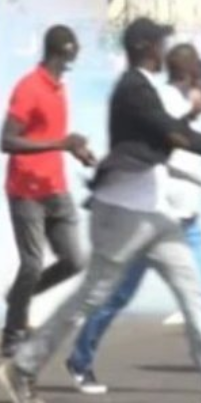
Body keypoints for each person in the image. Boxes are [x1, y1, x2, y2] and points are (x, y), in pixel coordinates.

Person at [0, 18, 201, 403]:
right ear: (145, 46)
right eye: (160, 42)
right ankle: (22, 366)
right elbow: (174, 135)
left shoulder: (144, 89)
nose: (165, 48)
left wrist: (193, 116)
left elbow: (166, 133)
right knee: (90, 297)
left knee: (195, 291)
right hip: (123, 215)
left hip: (153, 214)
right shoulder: (133, 88)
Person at [63, 43, 201, 395]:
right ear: (189, 74)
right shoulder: (161, 103)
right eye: (200, 72)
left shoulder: (184, 103)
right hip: (153, 217)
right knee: (114, 296)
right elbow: (170, 157)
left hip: (185, 218)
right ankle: (79, 359)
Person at [0, 25, 95, 359]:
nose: (78, 55)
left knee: (75, 259)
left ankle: (18, 297)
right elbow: (6, 140)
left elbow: (53, 134)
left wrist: (75, 150)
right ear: (64, 50)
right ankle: (12, 332)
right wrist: (60, 143)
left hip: (56, 188)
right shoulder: (29, 88)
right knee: (32, 262)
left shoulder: (59, 88)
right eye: (75, 49)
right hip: (26, 191)